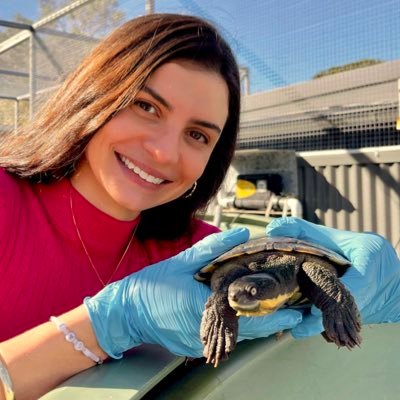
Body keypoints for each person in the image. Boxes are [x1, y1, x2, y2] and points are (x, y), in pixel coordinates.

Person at [1, 13, 399, 400]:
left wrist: (388, 299)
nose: (164, 152)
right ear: (93, 95)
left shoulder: (200, 252)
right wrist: (104, 327)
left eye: (197, 134)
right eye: (146, 106)